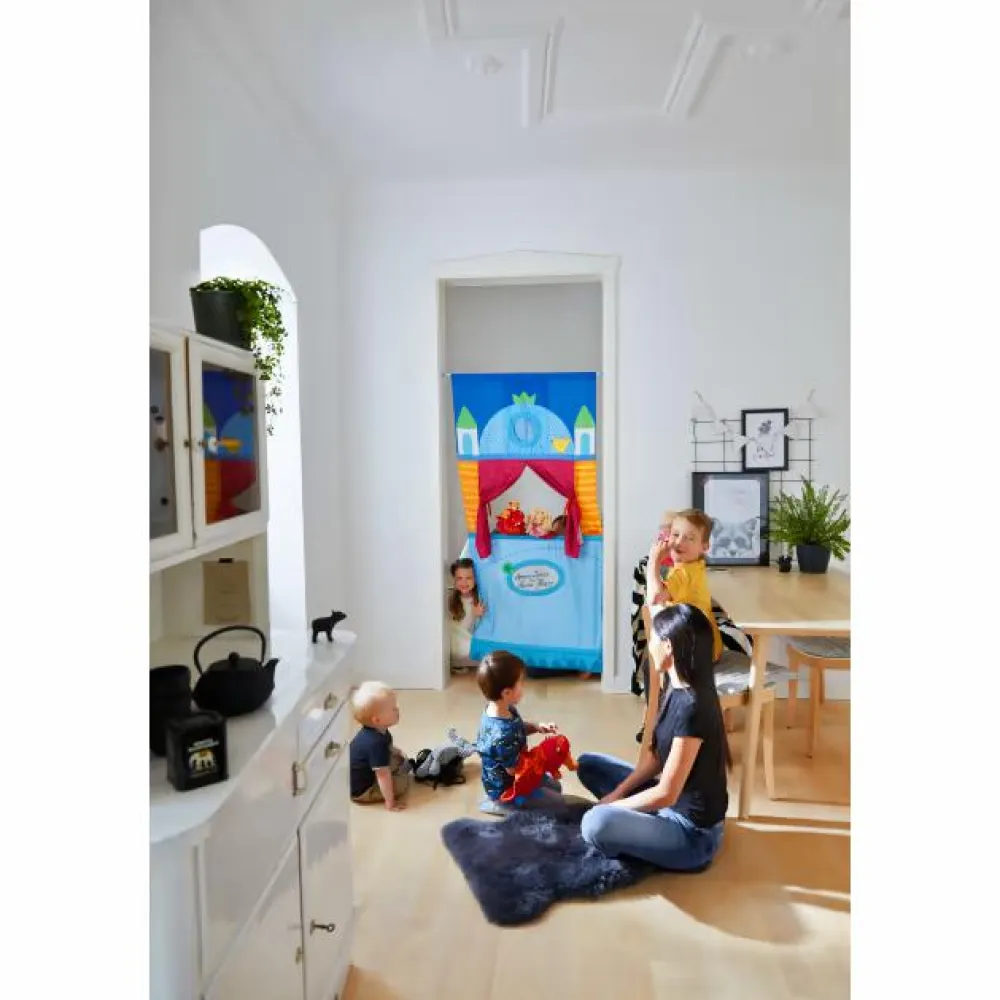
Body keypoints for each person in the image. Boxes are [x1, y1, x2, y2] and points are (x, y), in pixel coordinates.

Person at [576, 602, 731, 871]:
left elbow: (667, 794)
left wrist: (613, 809)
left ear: (668, 646)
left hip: (692, 835)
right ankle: (631, 826)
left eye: (654, 639)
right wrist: (617, 793)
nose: (650, 646)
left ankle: (627, 831)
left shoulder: (694, 706)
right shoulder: (675, 685)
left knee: (595, 823)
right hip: (669, 805)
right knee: (588, 764)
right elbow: (657, 759)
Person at [638, 510, 723, 747]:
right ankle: (657, 717)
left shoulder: (684, 573)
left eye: (689, 538)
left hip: (697, 651)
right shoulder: (693, 567)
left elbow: (655, 597)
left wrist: (654, 561)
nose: (680, 542)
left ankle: (658, 721)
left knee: (652, 667)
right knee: (653, 665)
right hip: (705, 644)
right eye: (675, 535)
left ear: (704, 547)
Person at [474, 650, 563, 815]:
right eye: (521, 683)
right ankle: (500, 804)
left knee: (556, 787)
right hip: (509, 789)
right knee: (557, 803)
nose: (524, 686)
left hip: (518, 776)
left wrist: (537, 727)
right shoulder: (501, 735)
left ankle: (501, 800)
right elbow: (514, 770)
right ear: (506, 693)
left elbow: (517, 727)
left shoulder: (502, 709)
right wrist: (542, 759)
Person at [349, 681, 412, 811]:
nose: (397, 710)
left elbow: (388, 746)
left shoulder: (378, 730)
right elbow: (382, 776)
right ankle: (388, 790)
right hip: (363, 791)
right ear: (377, 720)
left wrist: (396, 752)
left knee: (396, 759)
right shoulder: (375, 744)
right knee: (401, 784)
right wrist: (390, 802)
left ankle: (393, 768)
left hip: (366, 771)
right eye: (393, 709)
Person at [447, 557, 486, 670]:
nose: (464, 582)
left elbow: (474, 628)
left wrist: (476, 615)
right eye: (459, 578)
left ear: (475, 579)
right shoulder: (451, 599)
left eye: (468, 578)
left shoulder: (478, 599)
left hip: (467, 637)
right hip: (456, 636)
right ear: (454, 579)